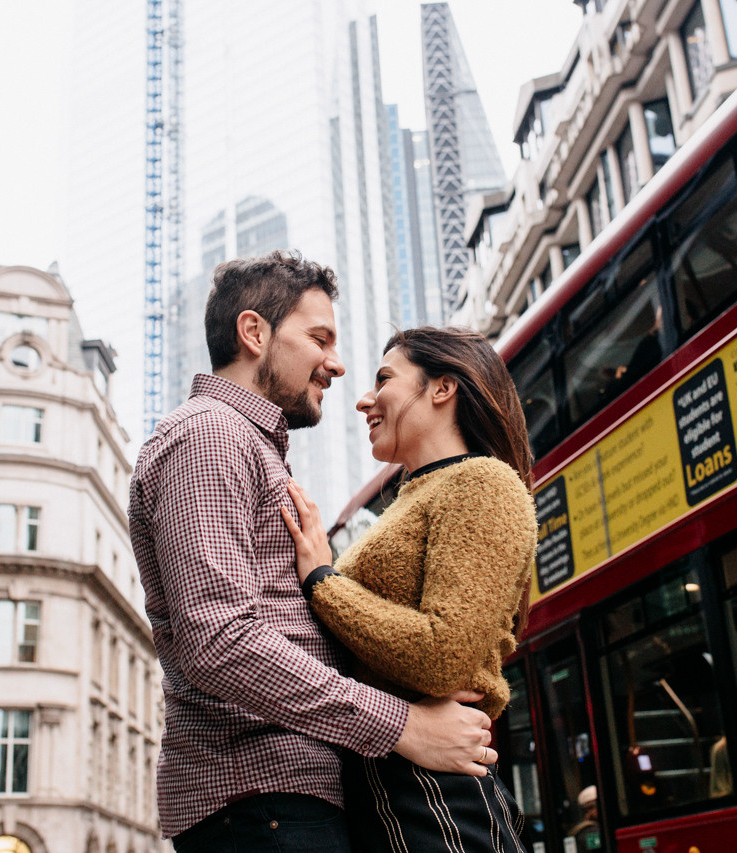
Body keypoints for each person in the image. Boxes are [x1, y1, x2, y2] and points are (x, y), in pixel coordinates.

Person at [128, 253, 498, 852]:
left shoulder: (248, 446)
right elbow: (220, 640)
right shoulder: (208, 437)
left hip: (283, 800)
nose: (337, 364)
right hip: (260, 803)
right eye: (319, 338)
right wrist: (404, 726)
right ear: (254, 333)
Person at [282, 326, 539, 853]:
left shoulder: (482, 484)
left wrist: (323, 582)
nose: (363, 399)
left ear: (442, 388)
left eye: (384, 379)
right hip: (396, 781)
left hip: (432, 795)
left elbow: (442, 654)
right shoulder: (416, 495)